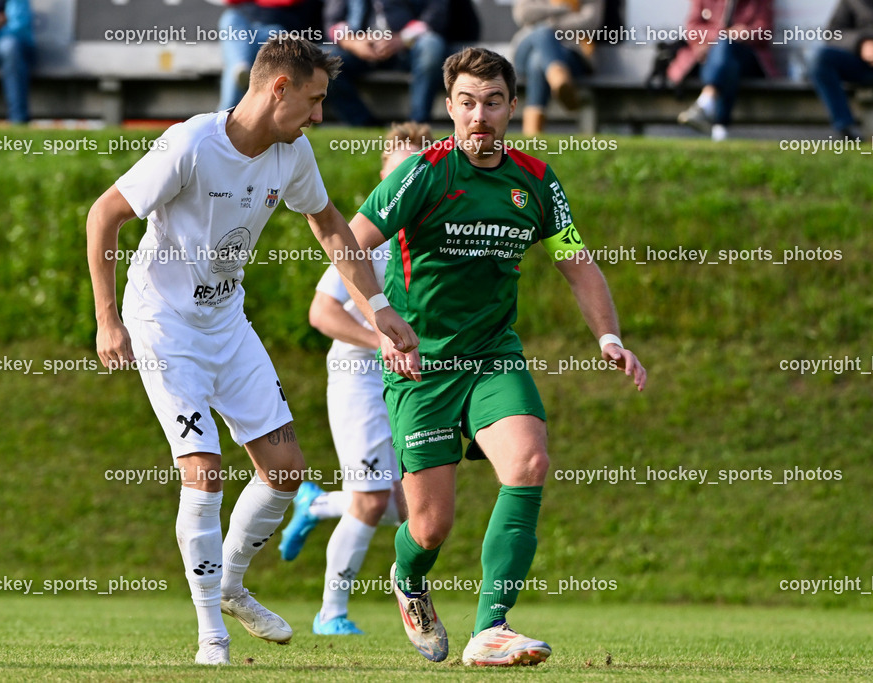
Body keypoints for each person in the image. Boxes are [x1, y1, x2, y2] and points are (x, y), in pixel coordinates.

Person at [85, 38, 417, 666]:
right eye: (315, 100)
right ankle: (211, 631)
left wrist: (378, 307)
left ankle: (231, 582)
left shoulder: (292, 152)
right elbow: (104, 216)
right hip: (162, 324)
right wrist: (107, 320)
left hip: (226, 323)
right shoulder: (191, 144)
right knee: (204, 470)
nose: (319, 115)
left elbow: (330, 227)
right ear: (279, 89)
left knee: (287, 473)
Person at [347, 46, 646, 666]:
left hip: (492, 357)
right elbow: (348, 242)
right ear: (449, 107)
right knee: (428, 529)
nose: (478, 116)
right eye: (465, 103)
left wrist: (609, 339)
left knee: (530, 462)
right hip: (422, 366)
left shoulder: (536, 181)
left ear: (513, 107)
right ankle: (407, 577)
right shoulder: (422, 173)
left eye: (492, 102)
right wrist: (382, 320)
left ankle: (491, 628)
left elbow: (576, 262)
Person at [279, 122, 435, 637]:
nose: (410, 179)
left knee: (410, 507)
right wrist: (383, 342)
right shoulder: (366, 237)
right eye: (399, 171)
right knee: (371, 500)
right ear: (384, 178)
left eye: (420, 169)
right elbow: (321, 312)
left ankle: (316, 502)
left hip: (408, 383)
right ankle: (331, 613)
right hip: (359, 380)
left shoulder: (434, 236)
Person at [322, 0, 450, 125]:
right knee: (323, 59)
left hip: (409, 47)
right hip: (359, 48)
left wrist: (403, 39)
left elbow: (435, 14)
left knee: (431, 46)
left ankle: (417, 123)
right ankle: (362, 123)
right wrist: (352, 42)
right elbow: (333, 21)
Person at [670, 0, 775, 142]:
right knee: (727, 60)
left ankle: (705, 103)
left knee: (727, 50)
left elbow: (765, 30)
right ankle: (720, 126)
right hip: (708, 57)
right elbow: (692, 28)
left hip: (746, 57)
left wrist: (746, 33)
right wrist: (722, 35)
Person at [510, 0, 603, 136]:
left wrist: (548, 25)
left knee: (537, 61)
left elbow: (590, 22)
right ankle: (560, 80)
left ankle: (532, 134)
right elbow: (523, 13)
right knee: (542, 34)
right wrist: (561, 10)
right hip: (528, 45)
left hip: (571, 51)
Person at [216, 0, 322, 111]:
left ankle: (223, 115)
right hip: (246, 29)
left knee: (237, 63)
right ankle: (241, 66)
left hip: (280, 33)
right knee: (230, 18)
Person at [806, 0, 873, 141]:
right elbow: (832, 34)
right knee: (822, 59)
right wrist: (861, 44)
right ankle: (846, 127)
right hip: (864, 65)